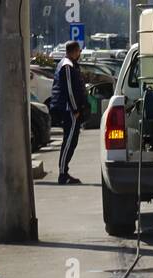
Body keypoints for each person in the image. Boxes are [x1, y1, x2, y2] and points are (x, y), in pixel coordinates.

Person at [50, 40, 85, 185]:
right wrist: (75, 109)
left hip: (70, 109)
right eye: (79, 51)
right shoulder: (67, 66)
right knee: (69, 141)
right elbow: (70, 90)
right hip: (69, 110)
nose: (80, 54)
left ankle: (64, 171)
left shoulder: (68, 65)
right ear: (74, 51)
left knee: (72, 140)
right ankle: (63, 173)